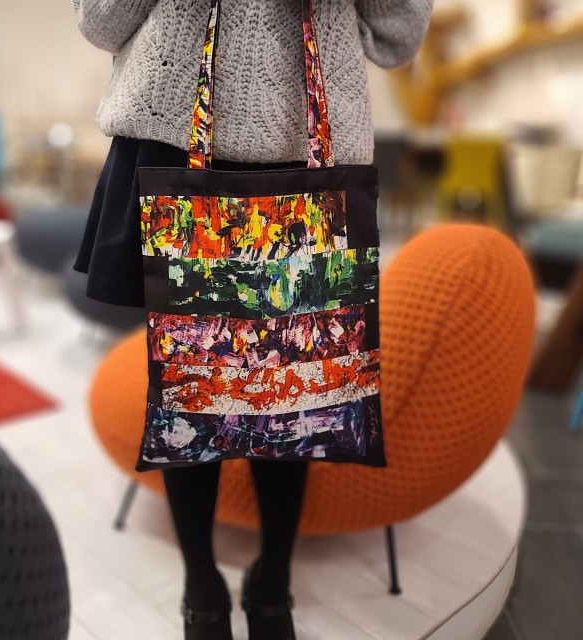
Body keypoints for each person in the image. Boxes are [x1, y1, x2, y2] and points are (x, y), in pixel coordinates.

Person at [71, 1, 433, 639]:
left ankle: (272, 578)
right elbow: (100, 19)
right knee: (191, 393)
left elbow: (398, 34)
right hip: (176, 146)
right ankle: (201, 581)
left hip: (313, 160)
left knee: (300, 392)